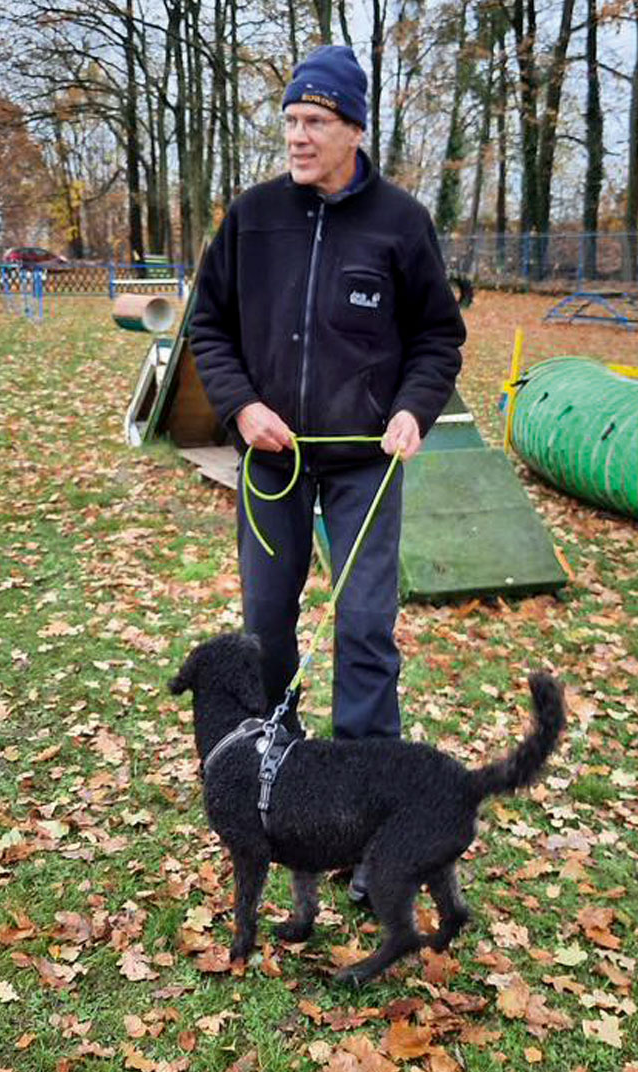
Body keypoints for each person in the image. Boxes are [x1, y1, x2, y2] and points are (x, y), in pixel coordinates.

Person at [190, 45, 466, 893]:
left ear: (354, 129)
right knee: (267, 633)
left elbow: (438, 338)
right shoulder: (254, 217)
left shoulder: (401, 222)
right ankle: (279, 790)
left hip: (364, 467)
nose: (298, 137)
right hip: (273, 462)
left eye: (315, 121)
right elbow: (208, 327)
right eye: (291, 121)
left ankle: (370, 819)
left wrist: (414, 407)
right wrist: (242, 407)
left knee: (365, 631)